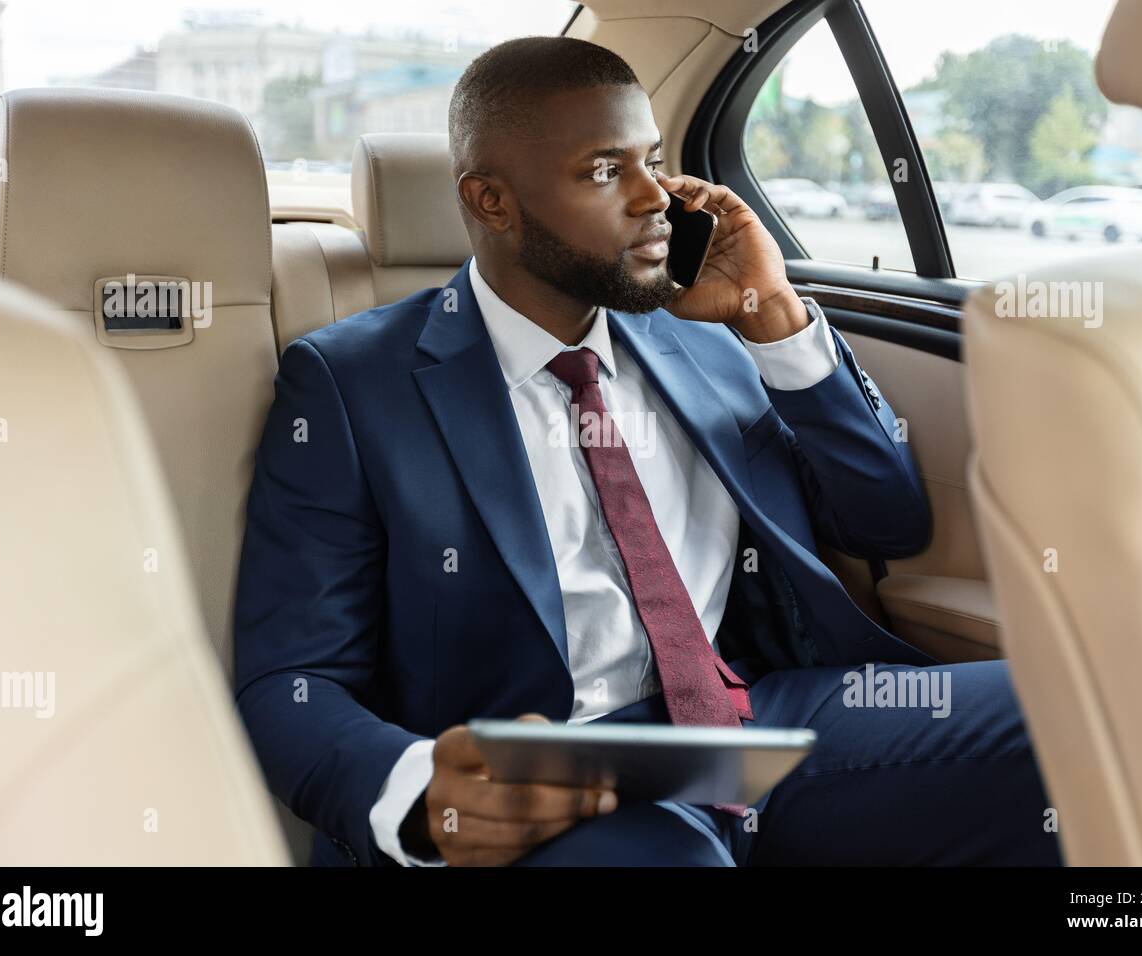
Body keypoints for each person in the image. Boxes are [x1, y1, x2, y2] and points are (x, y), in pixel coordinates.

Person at [233, 35, 1062, 867]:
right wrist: (425, 790)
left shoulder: (698, 335)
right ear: (491, 201)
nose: (655, 198)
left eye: (654, 160)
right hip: (552, 775)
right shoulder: (352, 386)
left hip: (751, 723)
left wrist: (772, 314)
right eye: (605, 170)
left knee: (1085, 718)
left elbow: (885, 520)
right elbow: (291, 682)